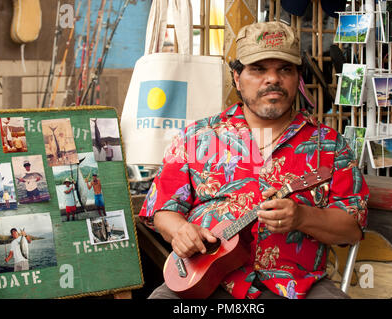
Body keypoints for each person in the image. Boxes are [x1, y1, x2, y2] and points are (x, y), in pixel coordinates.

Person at [139, 21, 369, 299]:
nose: (272, 79)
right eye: (258, 69)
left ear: (298, 77)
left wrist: (302, 217)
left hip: (296, 286)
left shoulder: (329, 145)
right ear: (237, 77)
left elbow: (352, 229)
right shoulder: (198, 137)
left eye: (284, 69)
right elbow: (162, 209)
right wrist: (182, 231)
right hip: (205, 279)